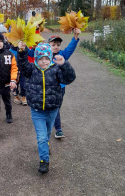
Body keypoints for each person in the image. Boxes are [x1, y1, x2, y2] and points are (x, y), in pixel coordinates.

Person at [16, 41, 76, 174]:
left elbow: (70, 78)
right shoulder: (32, 70)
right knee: (42, 137)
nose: (44, 62)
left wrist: (64, 64)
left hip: (52, 109)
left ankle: (45, 146)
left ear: (50, 58)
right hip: (37, 111)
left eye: (46, 58)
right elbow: (22, 64)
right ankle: (44, 160)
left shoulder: (56, 70)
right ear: (36, 59)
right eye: (41, 59)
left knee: (47, 134)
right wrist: (22, 51)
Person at [48, 28, 81, 139]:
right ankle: (58, 129)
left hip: (60, 87)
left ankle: (53, 121)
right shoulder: (45, 56)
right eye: (53, 44)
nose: (56, 46)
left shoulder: (62, 55)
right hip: (48, 87)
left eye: (58, 44)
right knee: (54, 108)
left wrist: (75, 37)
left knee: (57, 107)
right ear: (49, 45)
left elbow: (70, 48)